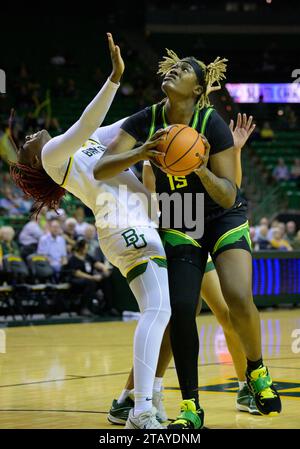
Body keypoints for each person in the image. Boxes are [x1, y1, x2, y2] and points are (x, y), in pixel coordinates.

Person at [93, 49, 281, 427]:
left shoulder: (212, 122)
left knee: (238, 296)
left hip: (221, 213)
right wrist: (142, 152)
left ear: (197, 90)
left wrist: (200, 170)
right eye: (172, 67)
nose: (174, 70)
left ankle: (257, 372)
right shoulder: (147, 119)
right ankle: (191, 407)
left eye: (183, 70)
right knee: (180, 310)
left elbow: (229, 192)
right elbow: (100, 168)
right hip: (181, 216)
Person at [10, 33, 171, 429]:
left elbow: (129, 123)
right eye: (26, 143)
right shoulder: (53, 158)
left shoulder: (91, 146)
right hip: (122, 228)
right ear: (35, 163)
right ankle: (142, 410)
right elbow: (87, 122)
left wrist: (177, 102)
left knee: (169, 311)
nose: (32, 136)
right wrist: (115, 78)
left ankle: (126, 402)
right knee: (159, 310)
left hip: (142, 221)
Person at [107, 114, 260, 427]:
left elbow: (231, 191)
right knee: (175, 316)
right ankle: (133, 396)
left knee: (224, 311)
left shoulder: (199, 145)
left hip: (197, 225)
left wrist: (235, 152)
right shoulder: (159, 152)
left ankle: (246, 386)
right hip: (174, 229)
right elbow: (153, 201)